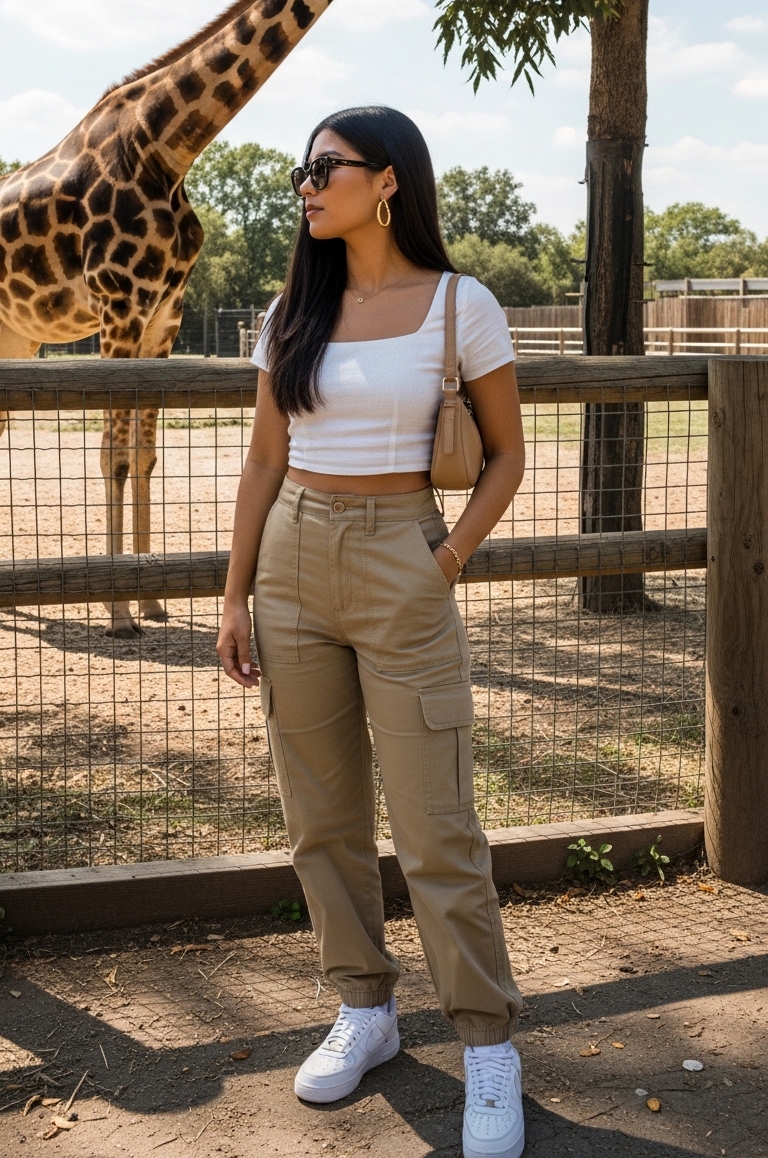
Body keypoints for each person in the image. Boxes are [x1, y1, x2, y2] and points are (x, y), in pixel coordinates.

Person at [217, 105, 526, 1158]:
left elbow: (505, 458)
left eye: (324, 169)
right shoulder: (290, 310)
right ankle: (365, 1007)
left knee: (438, 821)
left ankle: (486, 1043)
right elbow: (262, 462)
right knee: (322, 817)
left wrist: (441, 561)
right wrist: (232, 594)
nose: (305, 186)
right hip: (292, 562)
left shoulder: (459, 304)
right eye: (302, 174)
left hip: (406, 553)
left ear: (385, 179)